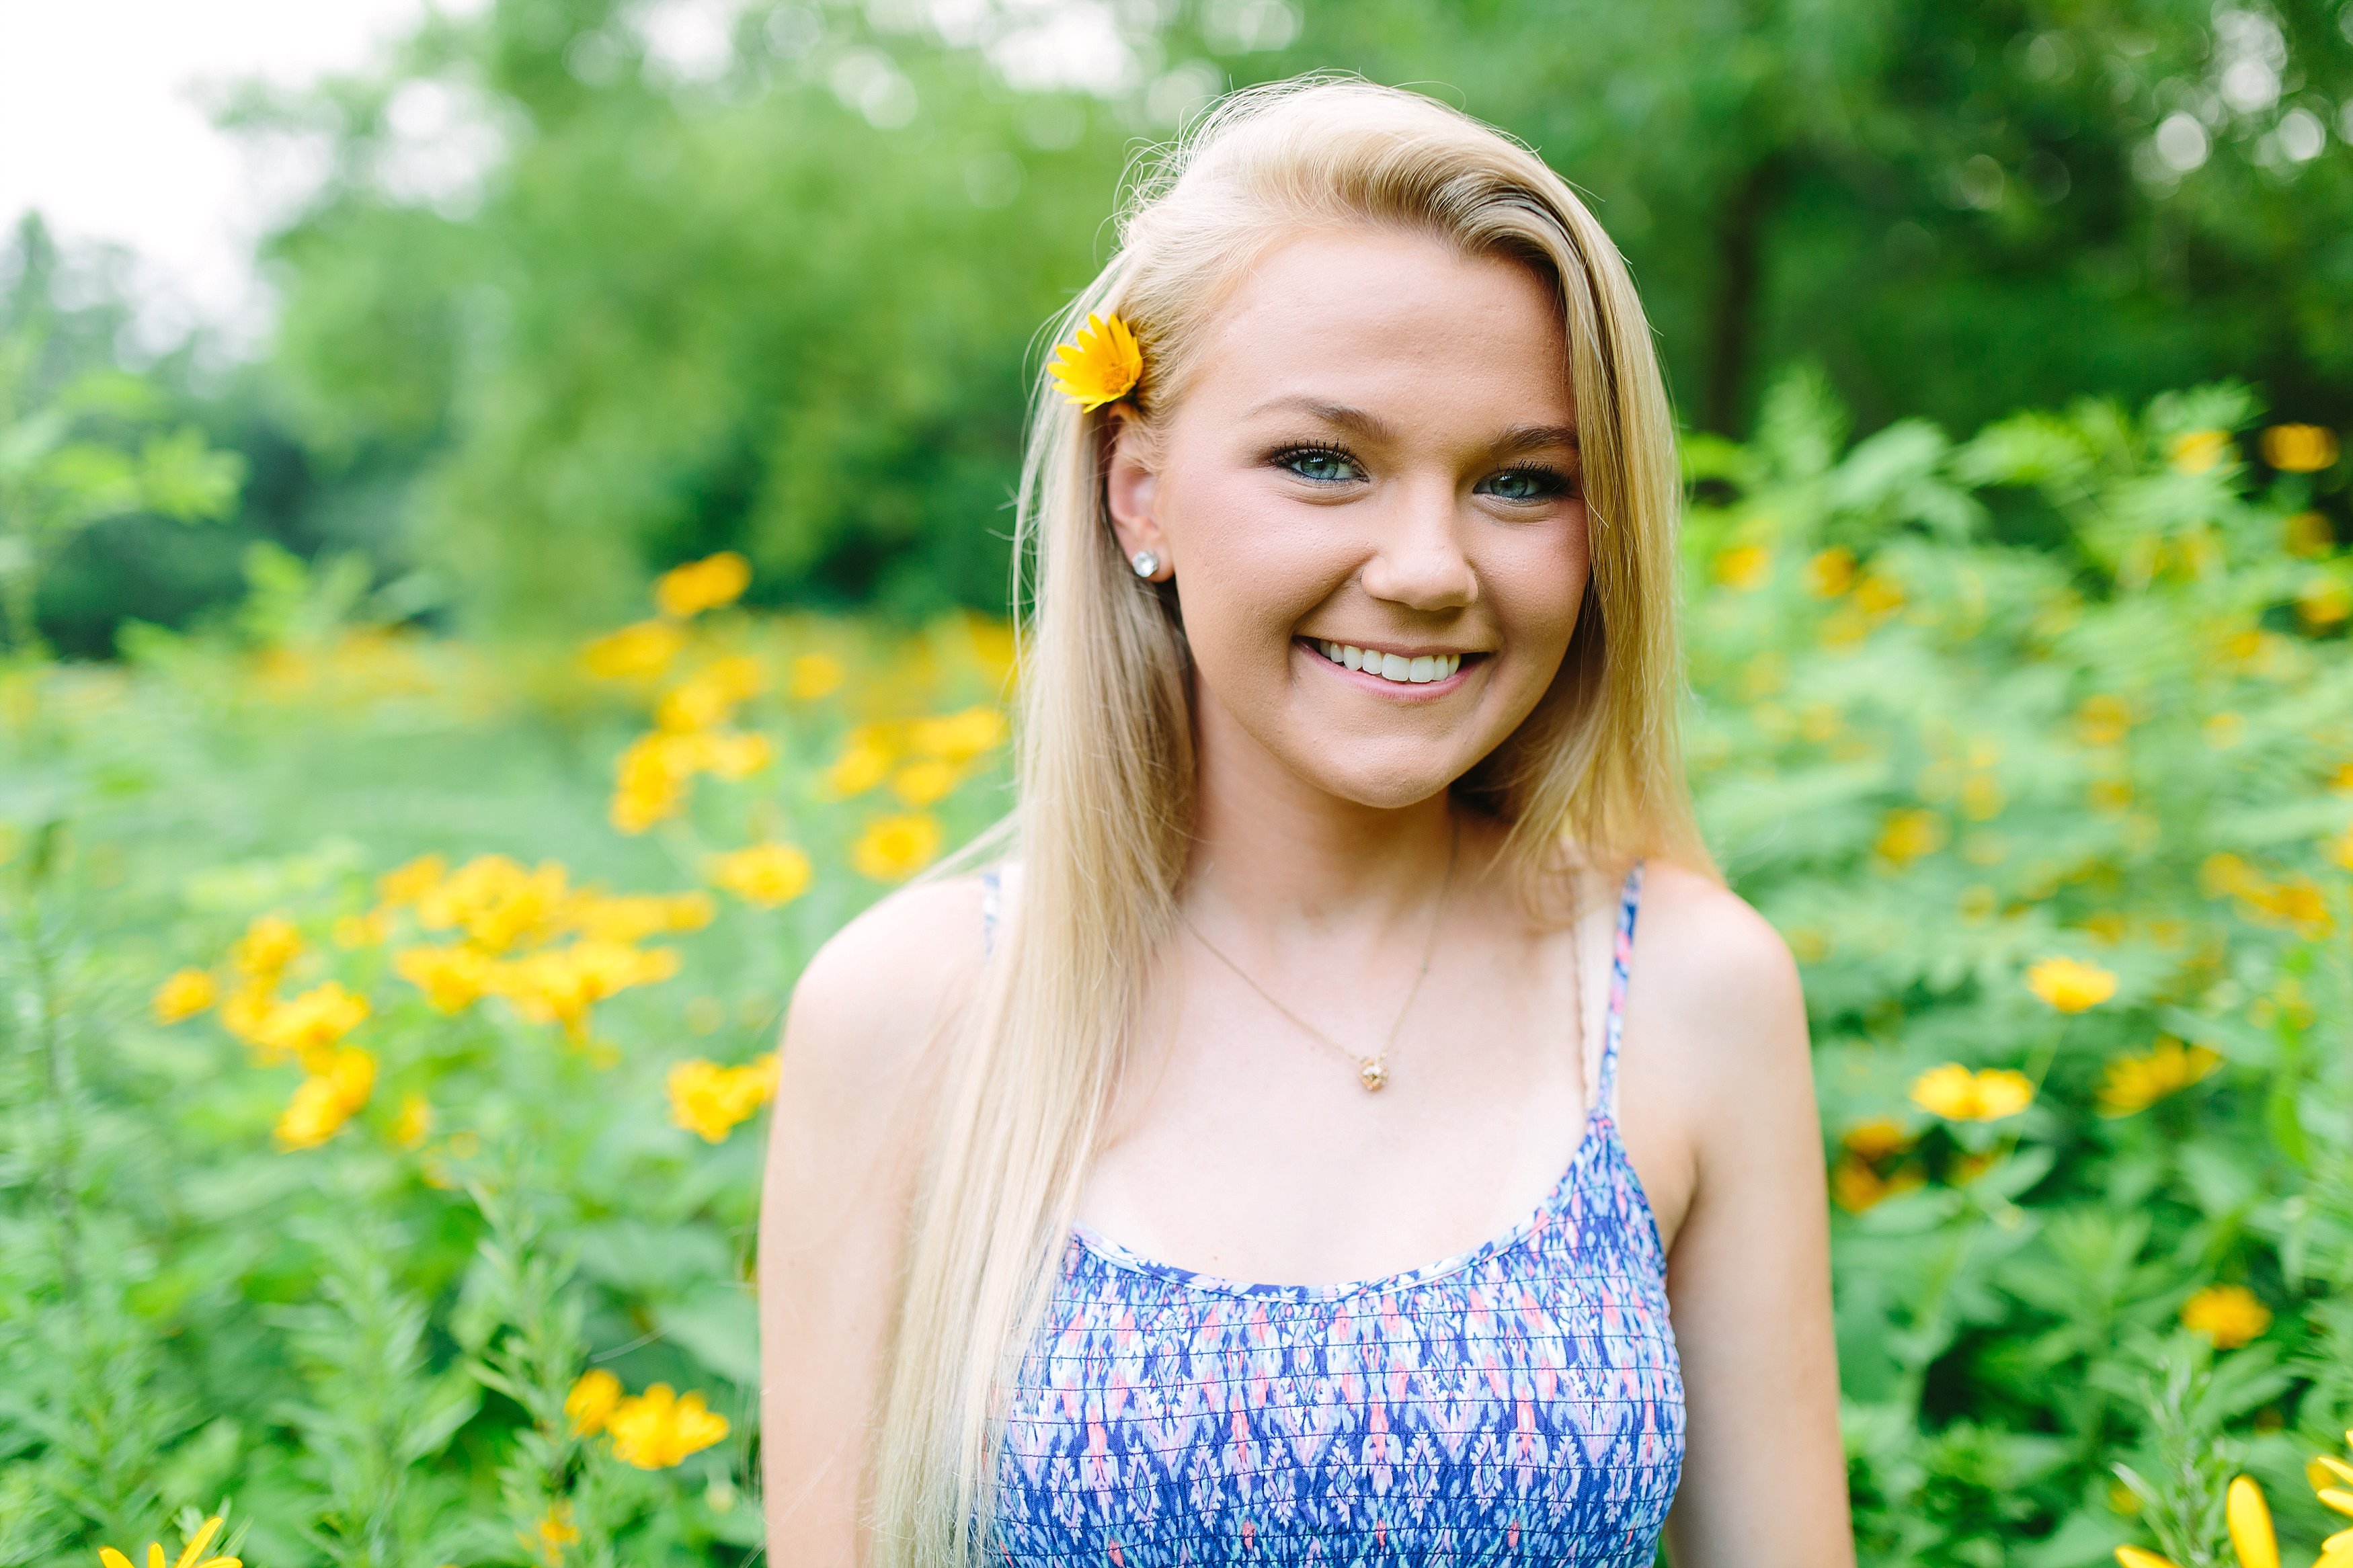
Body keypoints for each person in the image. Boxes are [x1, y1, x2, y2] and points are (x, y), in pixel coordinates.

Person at [759, 77, 1851, 1567]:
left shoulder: (1684, 994)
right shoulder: (913, 1014)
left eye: (1522, 483)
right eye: (1323, 462)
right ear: (1138, 492)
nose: (1426, 566)